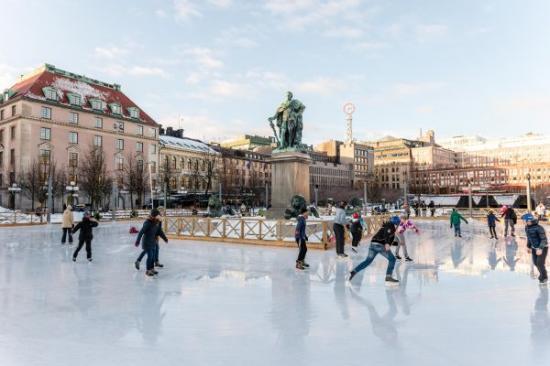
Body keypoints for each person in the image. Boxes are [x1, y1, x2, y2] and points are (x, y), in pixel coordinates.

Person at [349, 216, 401, 284]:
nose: (399, 224)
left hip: (373, 244)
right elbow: (386, 234)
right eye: (399, 223)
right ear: (396, 222)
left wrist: (394, 243)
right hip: (379, 245)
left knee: (368, 261)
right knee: (392, 259)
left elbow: (385, 236)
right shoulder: (390, 226)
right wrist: (387, 244)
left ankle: (354, 271)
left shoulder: (388, 226)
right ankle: (388, 276)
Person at [135, 209, 168, 276]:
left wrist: (165, 238)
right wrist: (138, 241)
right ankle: (148, 270)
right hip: (147, 242)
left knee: (152, 256)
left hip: (153, 241)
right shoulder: (148, 223)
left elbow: (159, 231)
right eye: (158, 216)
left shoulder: (156, 222)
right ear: (154, 216)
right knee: (150, 256)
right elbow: (141, 232)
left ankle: (152, 268)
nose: (159, 217)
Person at [523, 213, 548, 285]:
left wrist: (540, 249)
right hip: (534, 248)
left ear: (529, 220)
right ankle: (542, 274)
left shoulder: (539, 228)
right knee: (535, 263)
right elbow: (529, 238)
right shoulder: (527, 227)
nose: (524, 222)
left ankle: (544, 277)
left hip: (543, 247)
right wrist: (528, 247)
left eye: (524, 220)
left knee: (540, 263)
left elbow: (544, 240)